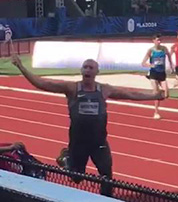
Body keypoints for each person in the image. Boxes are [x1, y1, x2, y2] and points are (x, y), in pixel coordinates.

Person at [11, 55, 163, 196]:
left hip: (99, 142)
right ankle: (66, 159)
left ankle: (107, 198)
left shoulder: (104, 89)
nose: (88, 70)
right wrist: (21, 67)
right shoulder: (72, 88)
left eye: (91, 67)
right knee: (77, 178)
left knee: (107, 177)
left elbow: (131, 95)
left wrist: (154, 95)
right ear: (81, 71)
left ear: (97, 71)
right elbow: (43, 84)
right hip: (78, 142)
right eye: (85, 67)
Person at [141, 34, 174, 119]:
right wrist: (150, 65)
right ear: (154, 41)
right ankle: (156, 112)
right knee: (156, 94)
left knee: (166, 94)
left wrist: (172, 66)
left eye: (160, 40)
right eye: (157, 40)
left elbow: (169, 58)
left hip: (162, 74)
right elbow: (143, 63)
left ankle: (153, 93)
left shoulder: (164, 49)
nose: (159, 42)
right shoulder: (151, 50)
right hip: (154, 74)